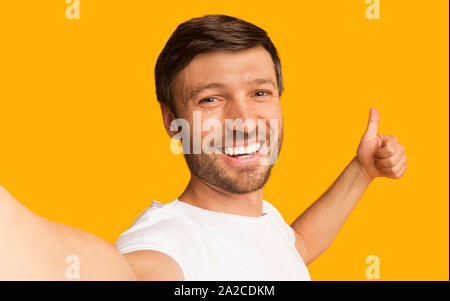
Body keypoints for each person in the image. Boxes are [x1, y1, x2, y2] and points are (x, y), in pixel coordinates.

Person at [0, 14, 407, 281]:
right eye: (211, 99)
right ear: (170, 121)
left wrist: (362, 170)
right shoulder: (167, 244)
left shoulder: (262, 220)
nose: (245, 120)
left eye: (261, 92)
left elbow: (298, 246)